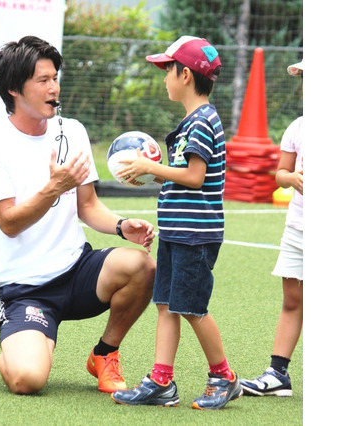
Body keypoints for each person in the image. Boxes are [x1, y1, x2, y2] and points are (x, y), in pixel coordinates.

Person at [0, 35, 157, 396]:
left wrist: (120, 226)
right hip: (25, 289)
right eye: (43, 80)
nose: (54, 88)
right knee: (27, 380)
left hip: (76, 270)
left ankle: (105, 353)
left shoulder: (73, 131)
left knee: (142, 266)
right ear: (14, 90)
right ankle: (19, 345)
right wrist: (54, 187)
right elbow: (9, 222)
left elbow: (87, 206)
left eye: (55, 78)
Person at [109, 36, 241, 410]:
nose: (164, 77)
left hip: (195, 236)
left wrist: (151, 167)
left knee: (192, 306)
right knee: (166, 304)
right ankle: (161, 381)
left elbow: (195, 176)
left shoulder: (202, 122)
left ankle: (224, 376)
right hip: (177, 232)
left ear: (185, 74)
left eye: (167, 70)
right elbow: (180, 176)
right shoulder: (191, 122)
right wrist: (153, 179)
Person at [239, 60, 303, 397]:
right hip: (298, 229)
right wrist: (291, 178)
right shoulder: (298, 127)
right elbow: (280, 174)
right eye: (307, 80)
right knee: (292, 300)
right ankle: (278, 373)